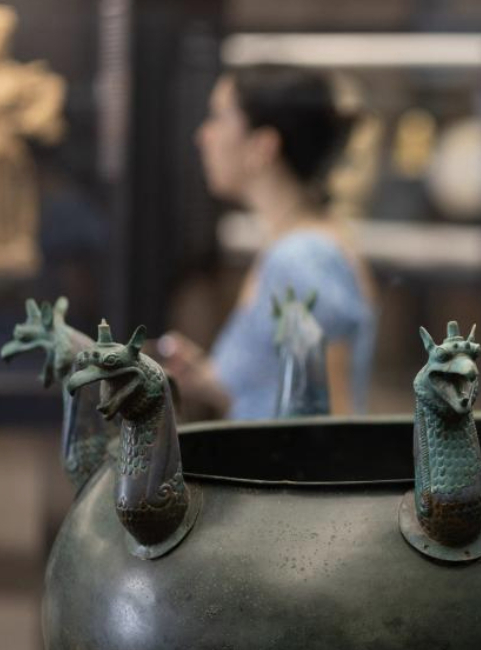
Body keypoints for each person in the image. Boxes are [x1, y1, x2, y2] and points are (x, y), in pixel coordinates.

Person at [159, 66, 376, 419]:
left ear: (263, 145)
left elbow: (334, 419)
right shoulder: (289, 246)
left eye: (218, 117)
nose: (203, 136)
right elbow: (268, 392)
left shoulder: (303, 258)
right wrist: (207, 377)